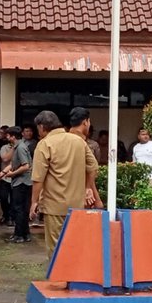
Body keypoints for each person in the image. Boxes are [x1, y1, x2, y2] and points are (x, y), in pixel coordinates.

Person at [31, 109, 101, 255]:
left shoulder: (45, 144)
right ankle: (74, 270)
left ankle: (58, 270)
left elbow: (38, 178)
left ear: (42, 127)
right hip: (77, 204)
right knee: (75, 244)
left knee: (56, 248)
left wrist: (34, 202)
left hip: (54, 205)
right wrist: (88, 187)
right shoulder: (78, 141)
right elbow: (93, 167)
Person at [2, 126, 34, 243]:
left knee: (19, 209)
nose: (7, 137)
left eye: (8, 135)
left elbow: (25, 166)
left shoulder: (20, 147)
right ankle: (25, 234)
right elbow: (13, 163)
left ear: (13, 136)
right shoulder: (18, 147)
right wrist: (2, 173)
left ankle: (19, 235)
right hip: (23, 182)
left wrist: (12, 174)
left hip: (22, 182)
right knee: (23, 209)